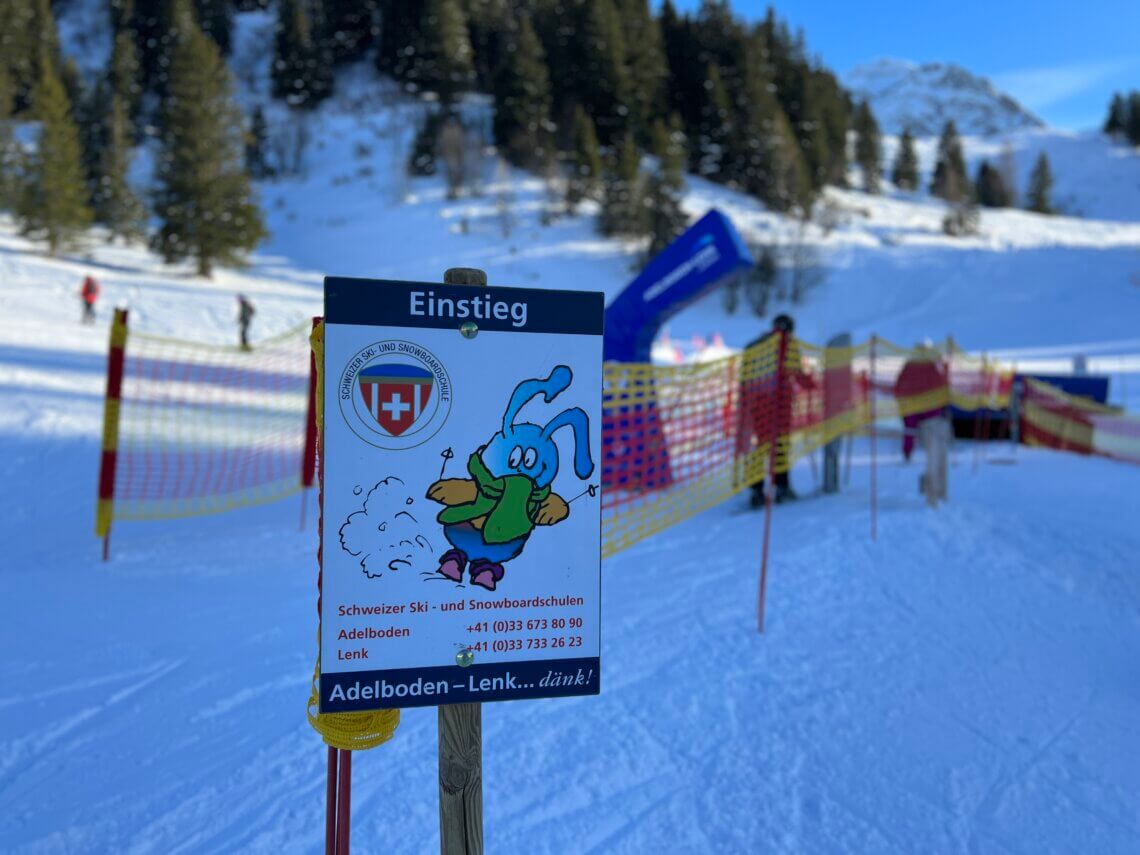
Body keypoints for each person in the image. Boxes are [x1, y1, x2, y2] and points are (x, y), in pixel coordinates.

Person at [736, 314, 815, 508]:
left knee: (760, 445)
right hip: (778, 403)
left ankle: (756, 491)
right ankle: (781, 487)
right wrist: (812, 384)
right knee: (779, 446)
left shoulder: (756, 344)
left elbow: (744, 375)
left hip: (755, 402)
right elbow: (795, 372)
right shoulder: (788, 344)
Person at [894, 342, 951, 507]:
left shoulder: (909, 365)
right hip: (930, 411)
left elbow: (898, 386)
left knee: (910, 431)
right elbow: (942, 386)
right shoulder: (932, 366)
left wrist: (902, 403)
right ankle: (936, 491)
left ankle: (907, 453)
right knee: (934, 453)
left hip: (912, 408)